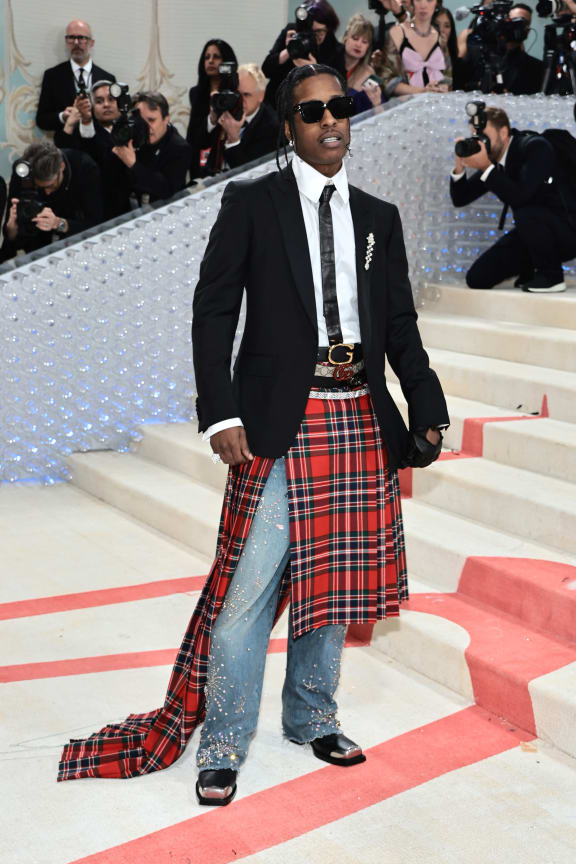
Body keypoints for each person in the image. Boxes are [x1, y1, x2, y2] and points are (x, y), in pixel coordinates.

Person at [58, 63, 449, 806]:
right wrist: (222, 411)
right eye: (312, 112)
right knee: (245, 596)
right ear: (288, 125)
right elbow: (213, 313)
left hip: (358, 417)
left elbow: (398, 324)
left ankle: (312, 717)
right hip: (279, 419)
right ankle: (226, 741)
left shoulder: (377, 216)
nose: (331, 121)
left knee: (332, 591)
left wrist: (425, 404)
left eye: (340, 107)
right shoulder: (250, 202)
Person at [450, 106, 576, 292]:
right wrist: (459, 167)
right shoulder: (496, 163)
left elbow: (520, 196)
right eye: (476, 138)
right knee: (477, 278)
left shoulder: (535, 147)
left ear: (503, 132)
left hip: (568, 229)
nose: (481, 143)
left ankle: (551, 276)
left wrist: (486, 167)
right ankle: (532, 269)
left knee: (526, 211)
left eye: (484, 137)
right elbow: (460, 198)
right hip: (535, 235)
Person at [1, 141, 102, 261]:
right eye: (40, 187)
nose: (47, 192)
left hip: (76, 248)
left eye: (51, 185)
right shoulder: (22, 171)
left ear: (62, 167)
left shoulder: (85, 168)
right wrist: (12, 229)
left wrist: (58, 223)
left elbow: (96, 224)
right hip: (36, 249)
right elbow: (12, 240)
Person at [36, 20, 116, 147]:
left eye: (82, 38)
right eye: (71, 38)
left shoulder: (108, 78)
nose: (76, 43)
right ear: (66, 42)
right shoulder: (52, 76)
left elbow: (114, 118)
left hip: (101, 150)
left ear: (91, 43)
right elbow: (41, 120)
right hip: (67, 150)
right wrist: (63, 116)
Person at [59, 81, 132, 220]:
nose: (106, 104)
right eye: (99, 101)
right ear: (92, 106)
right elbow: (93, 148)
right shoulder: (83, 132)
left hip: (125, 209)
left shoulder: (129, 127)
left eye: (111, 99)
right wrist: (86, 120)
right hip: (97, 213)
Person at [111, 91, 191, 205]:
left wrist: (134, 164)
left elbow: (167, 190)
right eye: (141, 121)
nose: (145, 127)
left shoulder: (180, 148)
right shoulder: (134, 137)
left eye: (151, 120)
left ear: (166, 119)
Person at [262, 1, 346, 108]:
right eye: (308, 30)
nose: (312, 36)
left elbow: (340, 88)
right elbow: (266, 70)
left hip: (312, 109)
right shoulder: (292, 32)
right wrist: (289, 50)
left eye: (319, 32)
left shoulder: (335, 49)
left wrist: (315, 70)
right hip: (277, 104)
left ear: (329, 29)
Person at [207, 64, 280, 173]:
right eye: (237, 94)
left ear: (261, 96)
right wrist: (213, 119)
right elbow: (198, 146)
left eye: (246, 95)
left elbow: (251, 174)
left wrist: (233, 139)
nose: (240, 101)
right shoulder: (228, 108)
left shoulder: (273, 127)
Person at [459, 2, 544, 94]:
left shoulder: (536, 68)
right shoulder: (479, 54)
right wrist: (480, 85)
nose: (516, 27)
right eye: (513, 21)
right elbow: (460, 85)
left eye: (523, 23)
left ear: (528, 30)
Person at [186, 39, 238, 180]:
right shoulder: (196, 93)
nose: (210, 61)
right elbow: (193, 136)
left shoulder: (237, 92)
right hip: (202, 163)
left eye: (216, 57)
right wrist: (212, 119)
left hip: (228, 161)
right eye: (207, 57)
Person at [382, 0, 452, 96]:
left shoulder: (440, 37)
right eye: (418, 0)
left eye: (429, 0)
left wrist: (442, 87)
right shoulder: (398, 33)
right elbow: (387, 80)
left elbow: (447, 75)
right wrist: (422, 92)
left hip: (438, 103)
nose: (423, 5)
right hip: (406, 104)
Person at [342, 14, 386, 113]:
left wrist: (377, 103)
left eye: (364, 42)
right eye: (355, 38)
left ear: (368, 47)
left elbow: (382, 112)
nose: (359, 45)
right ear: (345, 38)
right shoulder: (329, 63)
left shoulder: (370, 74)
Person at [432, 6, 464, 90]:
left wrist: (445, 50)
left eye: (446, 26)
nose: (441, 30)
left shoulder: (457, 61)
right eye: (437, 24)